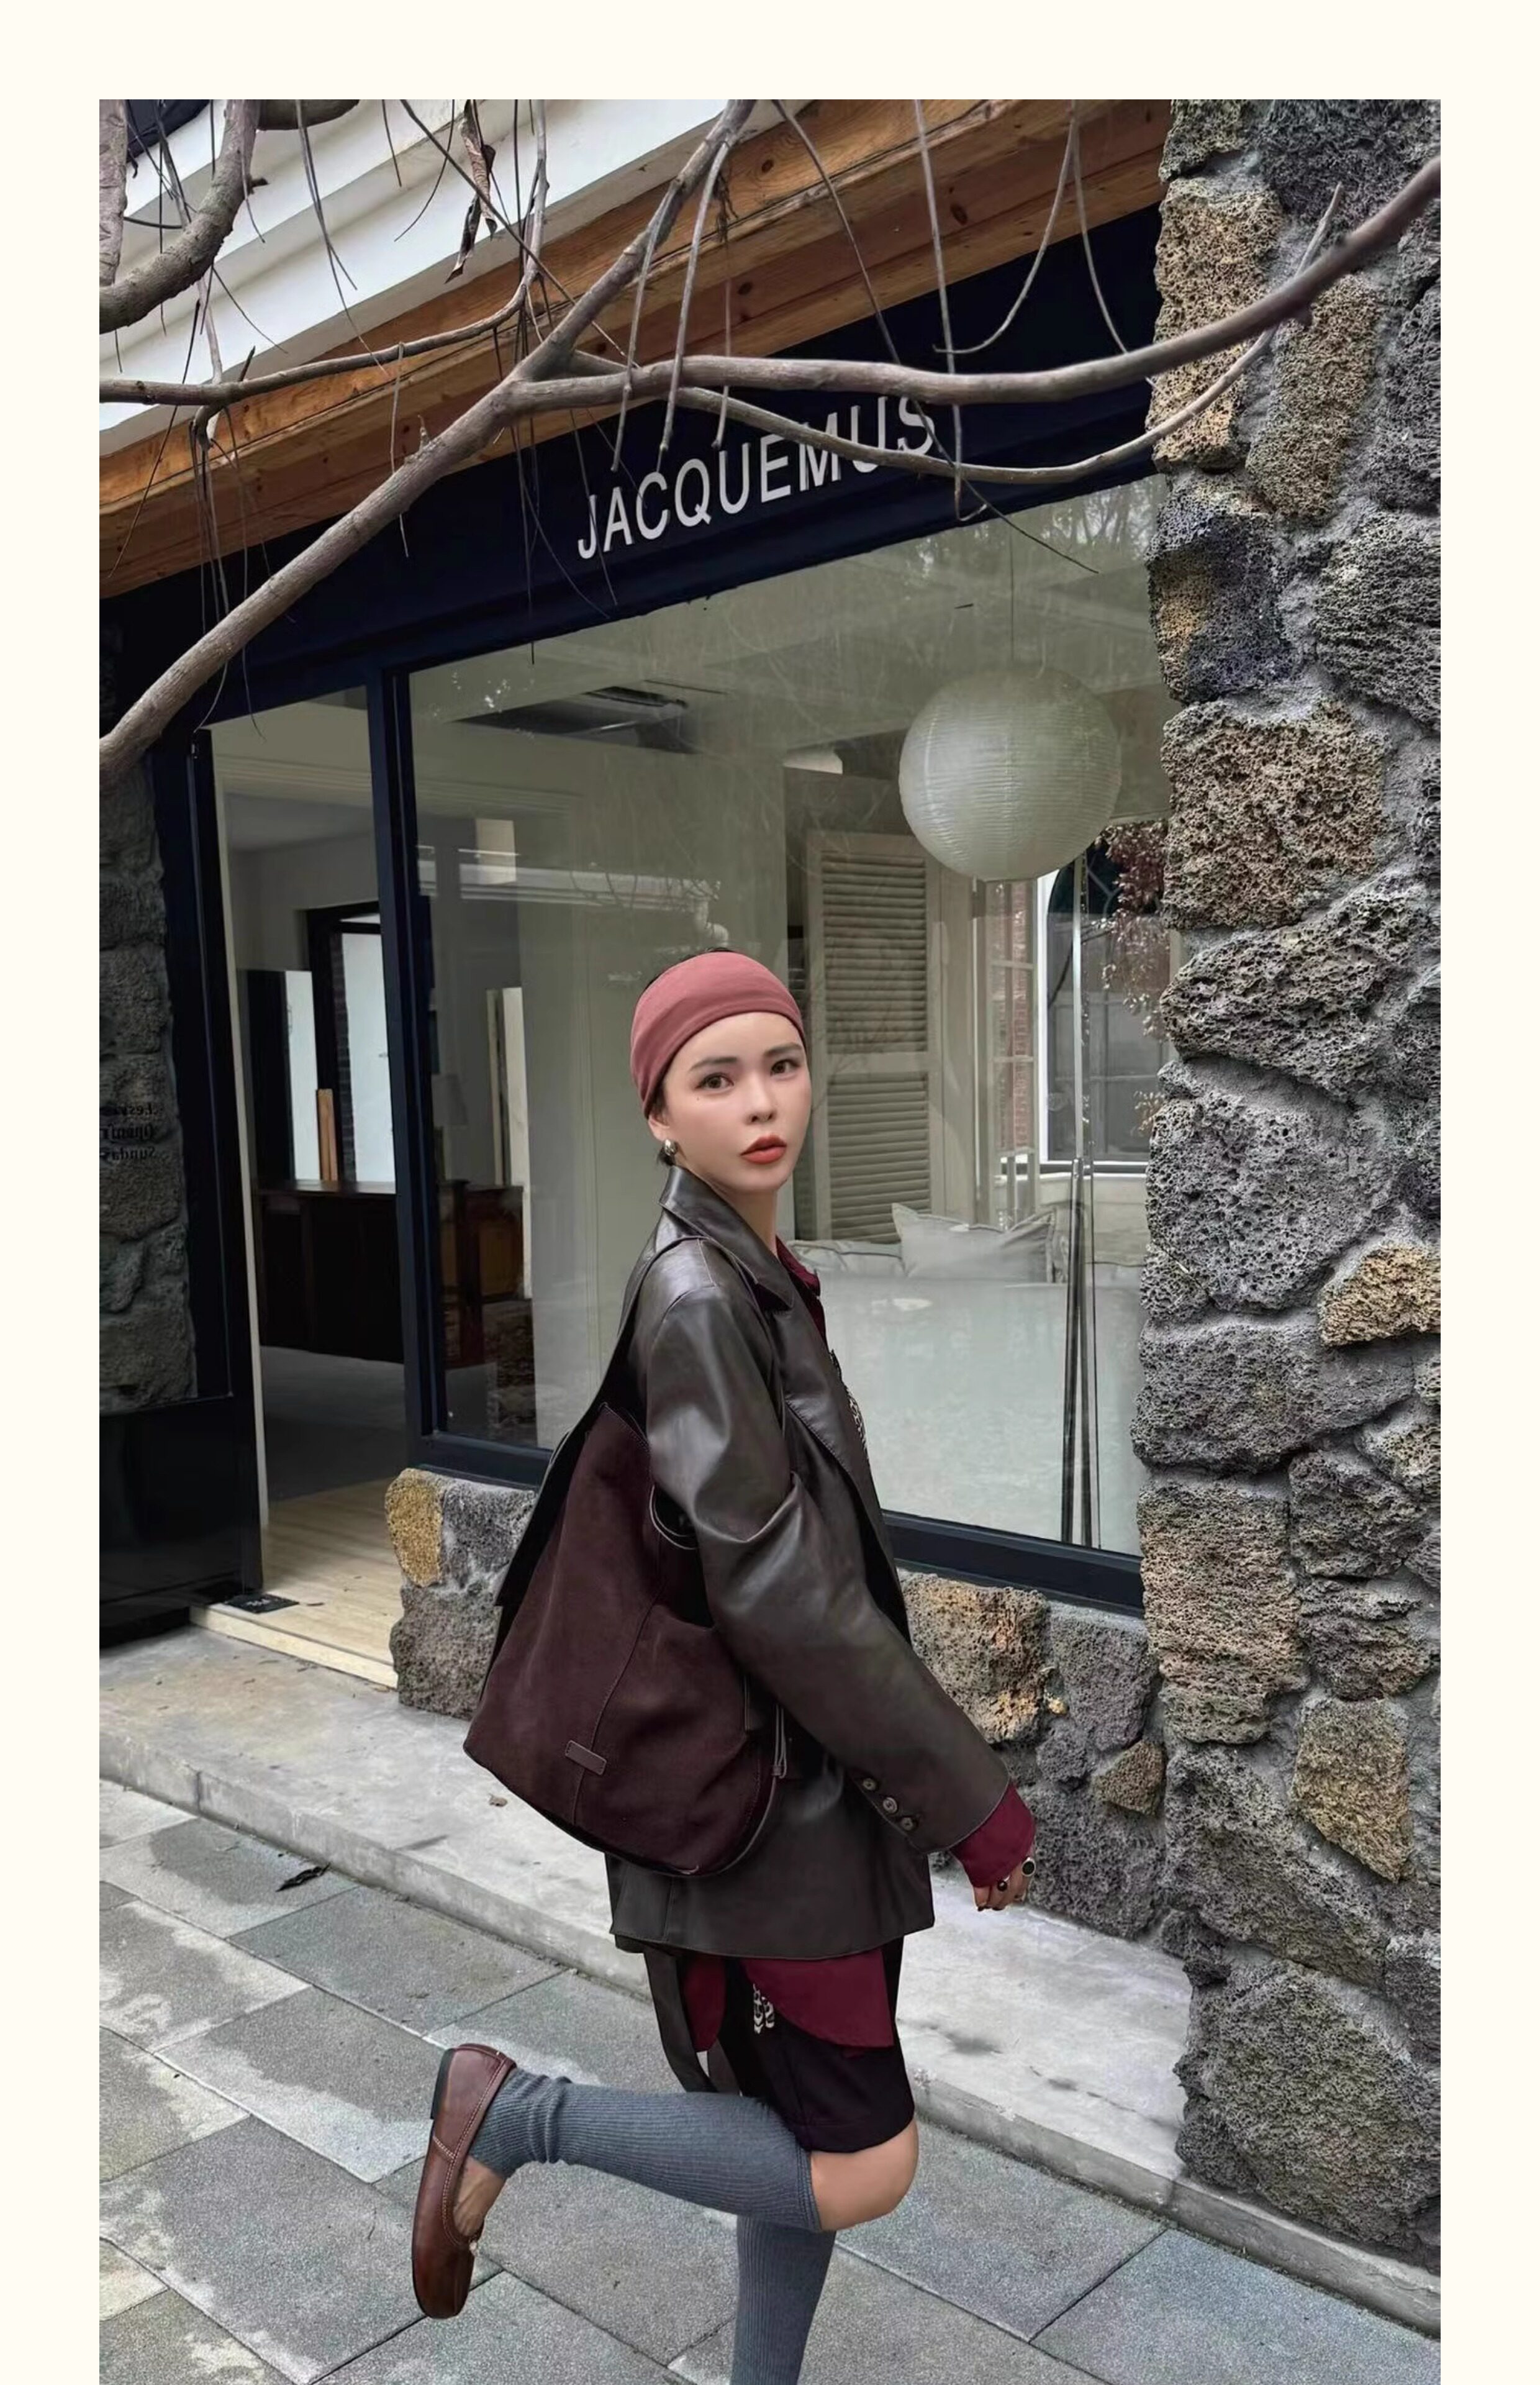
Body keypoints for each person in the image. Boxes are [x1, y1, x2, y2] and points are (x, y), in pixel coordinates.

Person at [412, 948, 1036, 2383]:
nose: (761, 1102)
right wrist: (970, 1802)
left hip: (795, 1802)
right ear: (658, 1114)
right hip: (762, 1822)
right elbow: (784, 1597)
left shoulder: (756, 1279)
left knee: (797, 2135)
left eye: (781, 1065)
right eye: (715, 1078)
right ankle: (513, 2115)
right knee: (861, 2162)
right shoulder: (701, 1298)